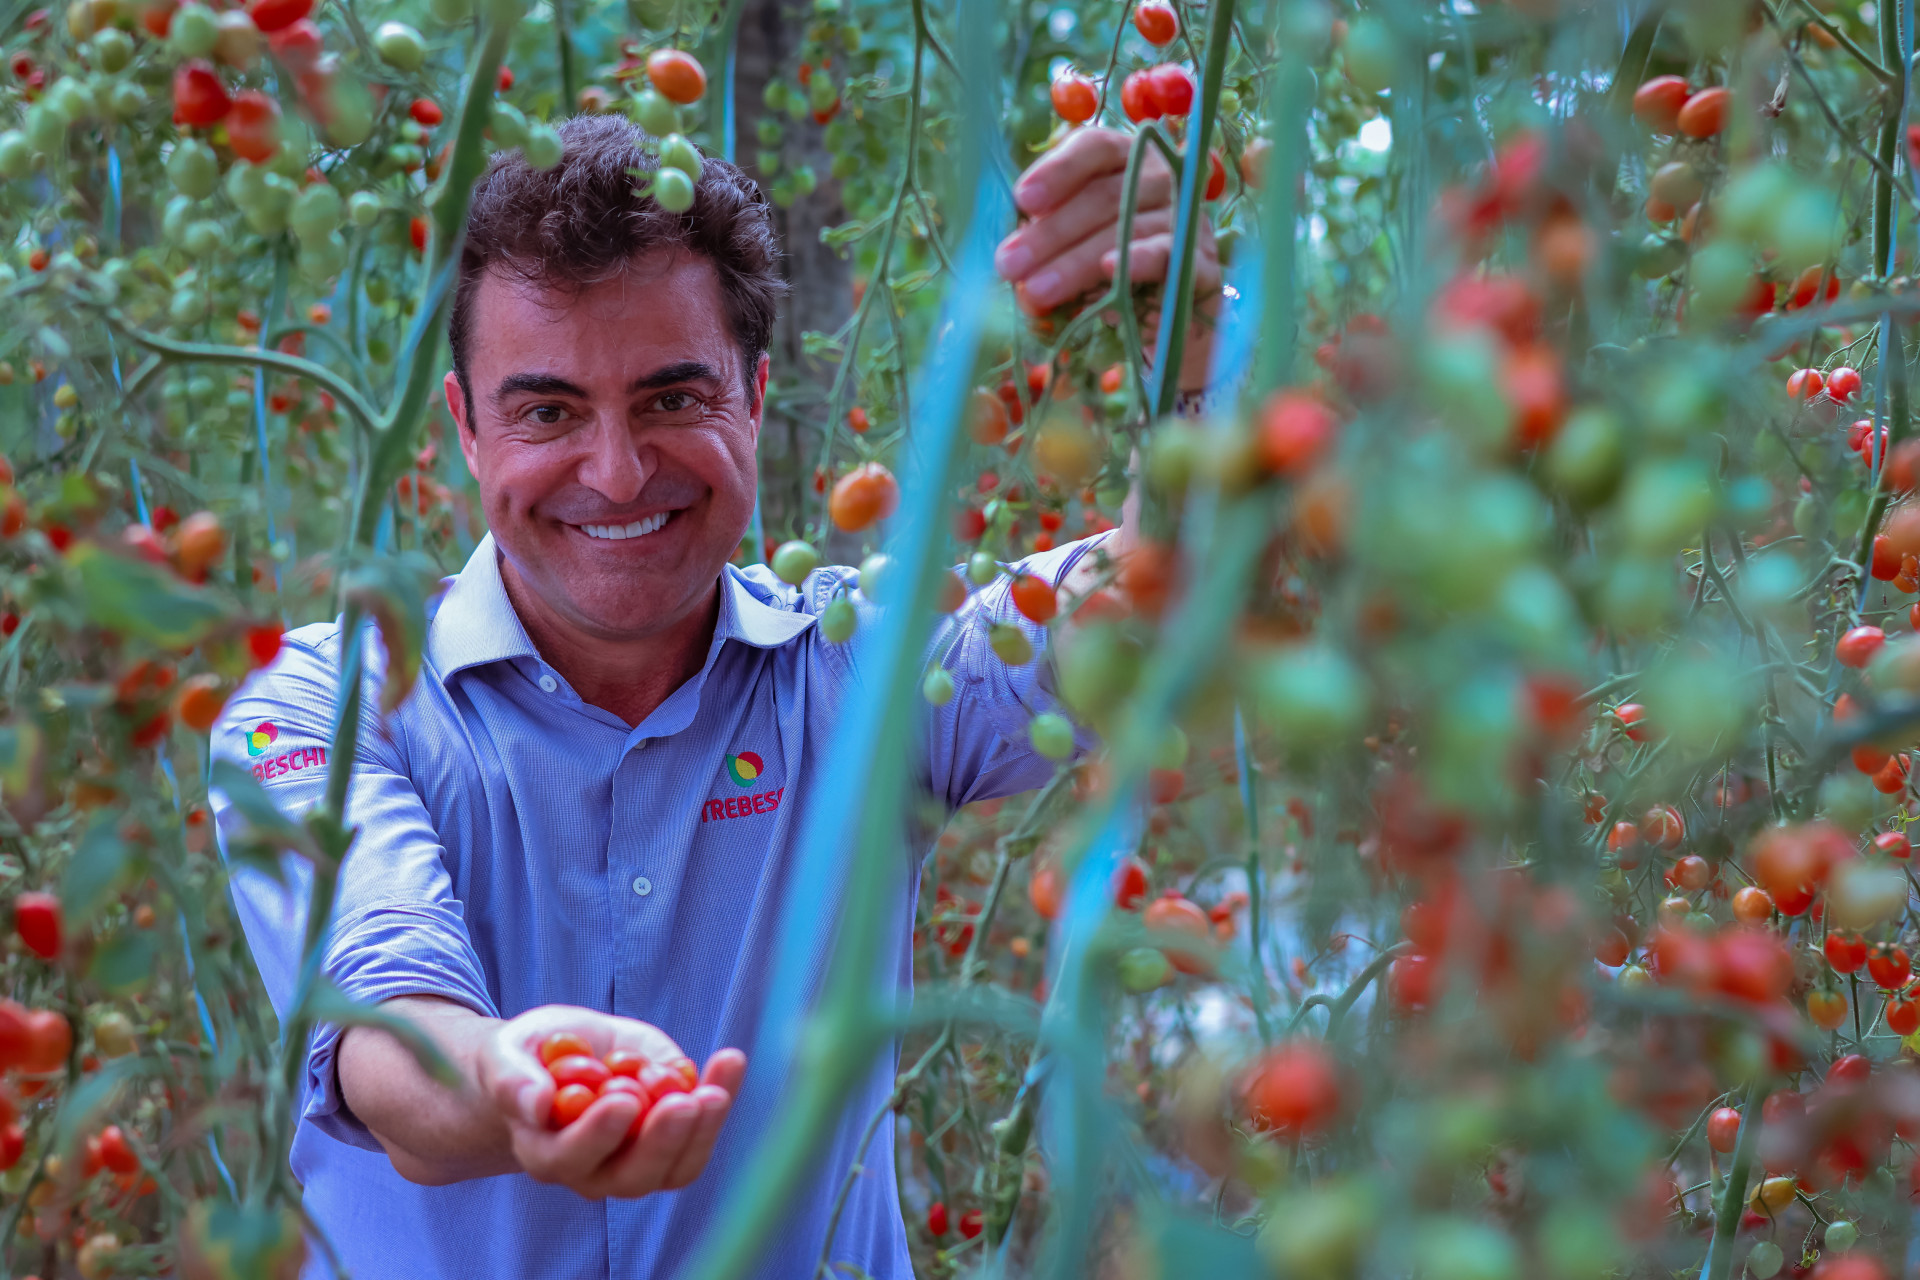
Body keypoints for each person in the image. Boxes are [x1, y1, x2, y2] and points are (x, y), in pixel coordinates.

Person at [210, 112, 1220, 1278]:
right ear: (464, 430)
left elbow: (1156, 601)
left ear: (754, 394)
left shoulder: (868, 663)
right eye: (547, 410)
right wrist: (512, 1077)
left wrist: (1195, 365)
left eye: (672, 399)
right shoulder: (326, 704)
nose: (618, 469)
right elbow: (395, 1055)